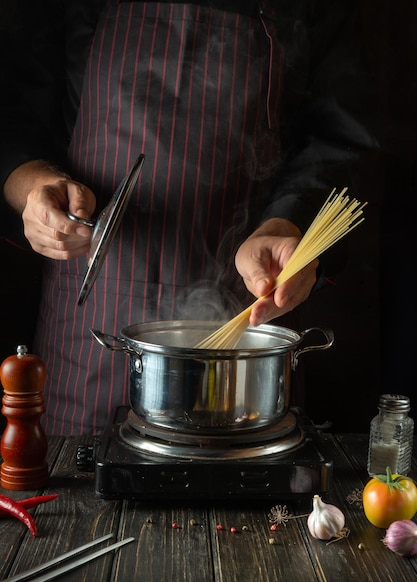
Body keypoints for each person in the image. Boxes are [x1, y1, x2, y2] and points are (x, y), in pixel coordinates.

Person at [0, 0, 374, 435]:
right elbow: (11, 120)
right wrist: (33, 187)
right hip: (93, 321)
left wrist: (287, 224)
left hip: (250, 318)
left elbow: (343, 139)